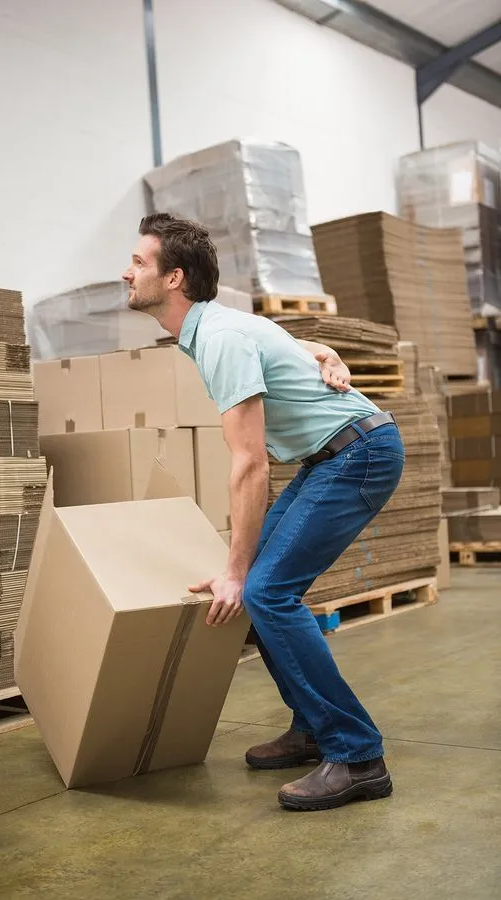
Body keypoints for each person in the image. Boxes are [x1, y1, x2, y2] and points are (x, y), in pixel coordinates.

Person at [122, 213, 405, 812]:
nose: (127, 271)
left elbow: (250, 463)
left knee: (267, 590)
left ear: (175, 278)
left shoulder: (219, 338)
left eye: (140, 262)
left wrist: (233, 567)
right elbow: (304, 347)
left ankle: (358, 755)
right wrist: (327, 354)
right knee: (260, 587)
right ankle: (312, 729)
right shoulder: (219, 327)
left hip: (358, 454)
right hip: (333, 455)